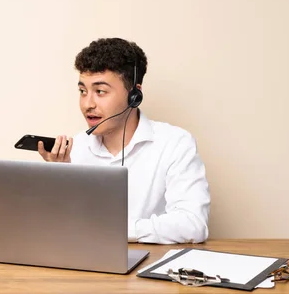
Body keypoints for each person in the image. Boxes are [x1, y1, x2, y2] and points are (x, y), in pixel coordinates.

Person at [37, 37, 210, 244]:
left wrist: (118, 229)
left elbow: (192, 224)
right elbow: (60, 231)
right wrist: (61, 180)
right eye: (83, 91)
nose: (87, 104)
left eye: (100, 91)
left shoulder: (175, 143)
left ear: (134, 95)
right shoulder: (74, 149)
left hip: (150, 267)